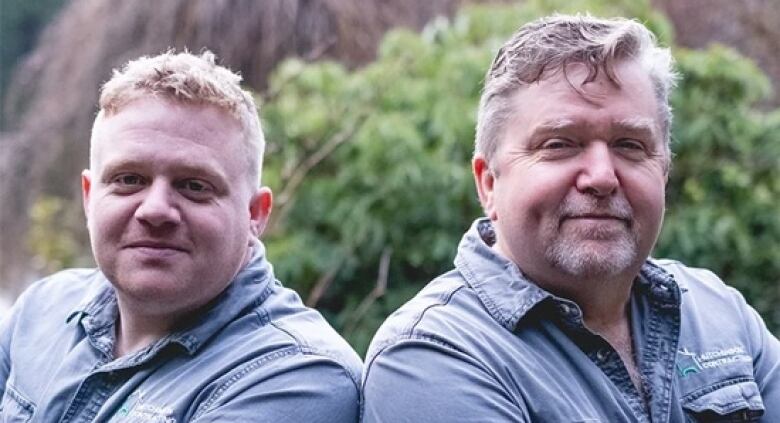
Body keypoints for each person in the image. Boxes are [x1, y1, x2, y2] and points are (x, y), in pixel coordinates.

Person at [362, 15, 779, 422]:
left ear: (664, 172)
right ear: (488, 183)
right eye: (560, 144)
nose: (601, 177)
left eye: (630, 145)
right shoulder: (435, 357)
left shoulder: (719, 313)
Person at [0, 51, 361, 421]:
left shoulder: (298, 378)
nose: (155, 210)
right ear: (90, 197)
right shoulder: (40, 313)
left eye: (194, 185)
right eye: (129, 179)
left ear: (255, 214)